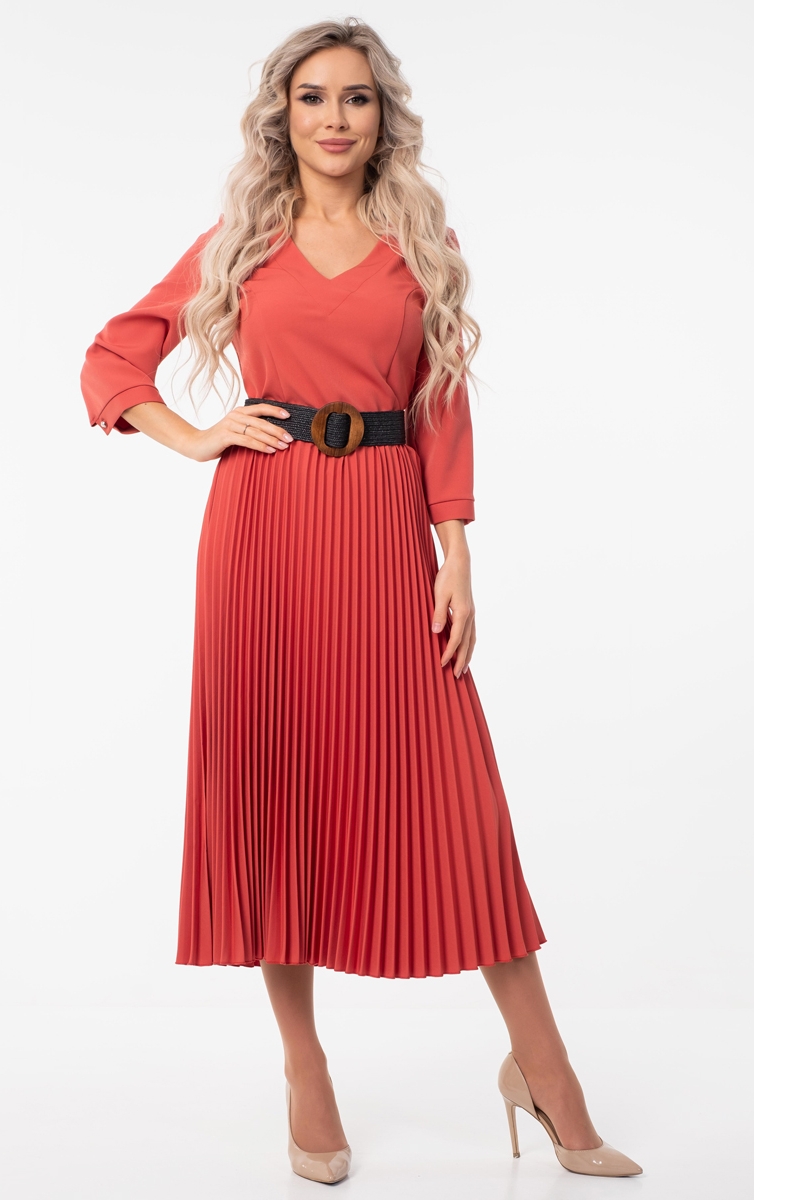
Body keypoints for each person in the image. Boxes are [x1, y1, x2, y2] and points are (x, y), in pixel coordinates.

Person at [79, 17, 642, 1185]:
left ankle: (543, 1069)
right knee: (275, 786)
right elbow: (114, 358)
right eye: (313, 97)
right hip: (264, 537)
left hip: (387, 534)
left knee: (458, 802)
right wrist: (193, 436)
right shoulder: (240, 241)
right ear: (281, 118)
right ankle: (305, 1068)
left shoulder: (418, 240)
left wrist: (456, 550)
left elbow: (440, 401)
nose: (335, 118)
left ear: (384, 117)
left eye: (357, 98)